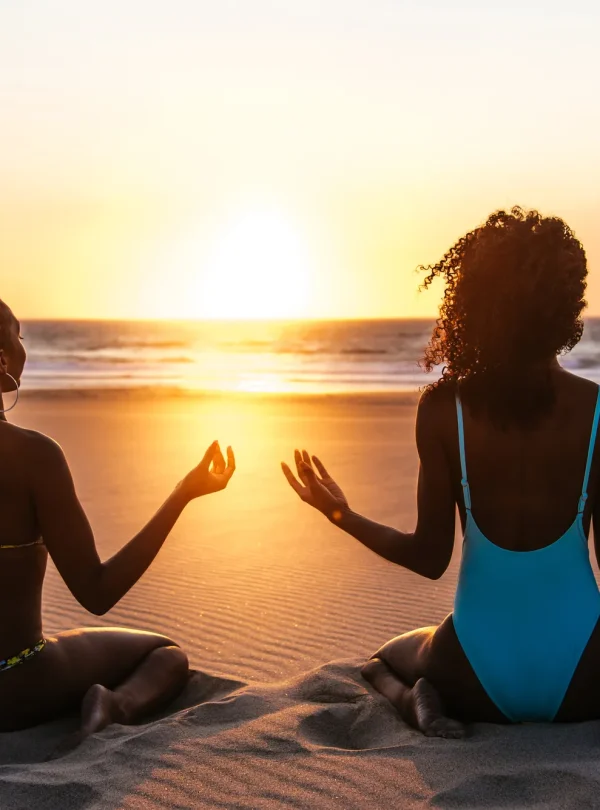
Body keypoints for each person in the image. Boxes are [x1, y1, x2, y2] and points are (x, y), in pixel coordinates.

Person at [282, 206, 600, 737]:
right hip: (585, 683)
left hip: (473, 680)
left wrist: (340, 513)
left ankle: (414, 702)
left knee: (381, 662)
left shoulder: (442, 409)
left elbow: (430, 559)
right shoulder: (596, 410)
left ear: (474, 301)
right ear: (567, 304)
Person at [0, 299, 235, 743]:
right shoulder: (34, 457)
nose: (24, 349)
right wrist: (182, 494)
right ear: (2, 358)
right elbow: (97, 591)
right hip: (15, 688)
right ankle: (114, 705)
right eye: (19, 336)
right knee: (165, 656)